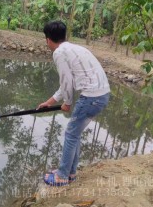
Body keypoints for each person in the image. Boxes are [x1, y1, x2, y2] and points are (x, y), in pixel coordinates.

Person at [37, 21, 110, 186]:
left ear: (48, 40)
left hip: (92, 97)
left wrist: (68, 103)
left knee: (70, 134)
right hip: (102, 95)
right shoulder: (74, 48)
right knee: (74, 133)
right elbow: (66, 83)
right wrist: (49, 103)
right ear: (65, 36)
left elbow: (66, 82)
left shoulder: (59, 53)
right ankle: (70, 173)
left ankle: (62, 176)